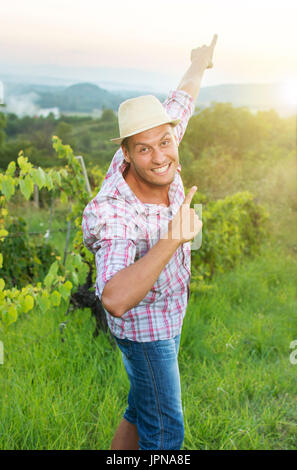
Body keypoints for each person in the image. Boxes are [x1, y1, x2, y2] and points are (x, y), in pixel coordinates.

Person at [82, 34, 218, 450]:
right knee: (165, 432)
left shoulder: (162, 137)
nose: (159, 157)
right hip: (146, 331)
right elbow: (115, 298)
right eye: (144, 149)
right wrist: (173, 237)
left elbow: (182, 99)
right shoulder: (117, 213)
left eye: (165, 142)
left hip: (169, 313)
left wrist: (199, 63)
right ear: (125, 153)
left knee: (141, 408)